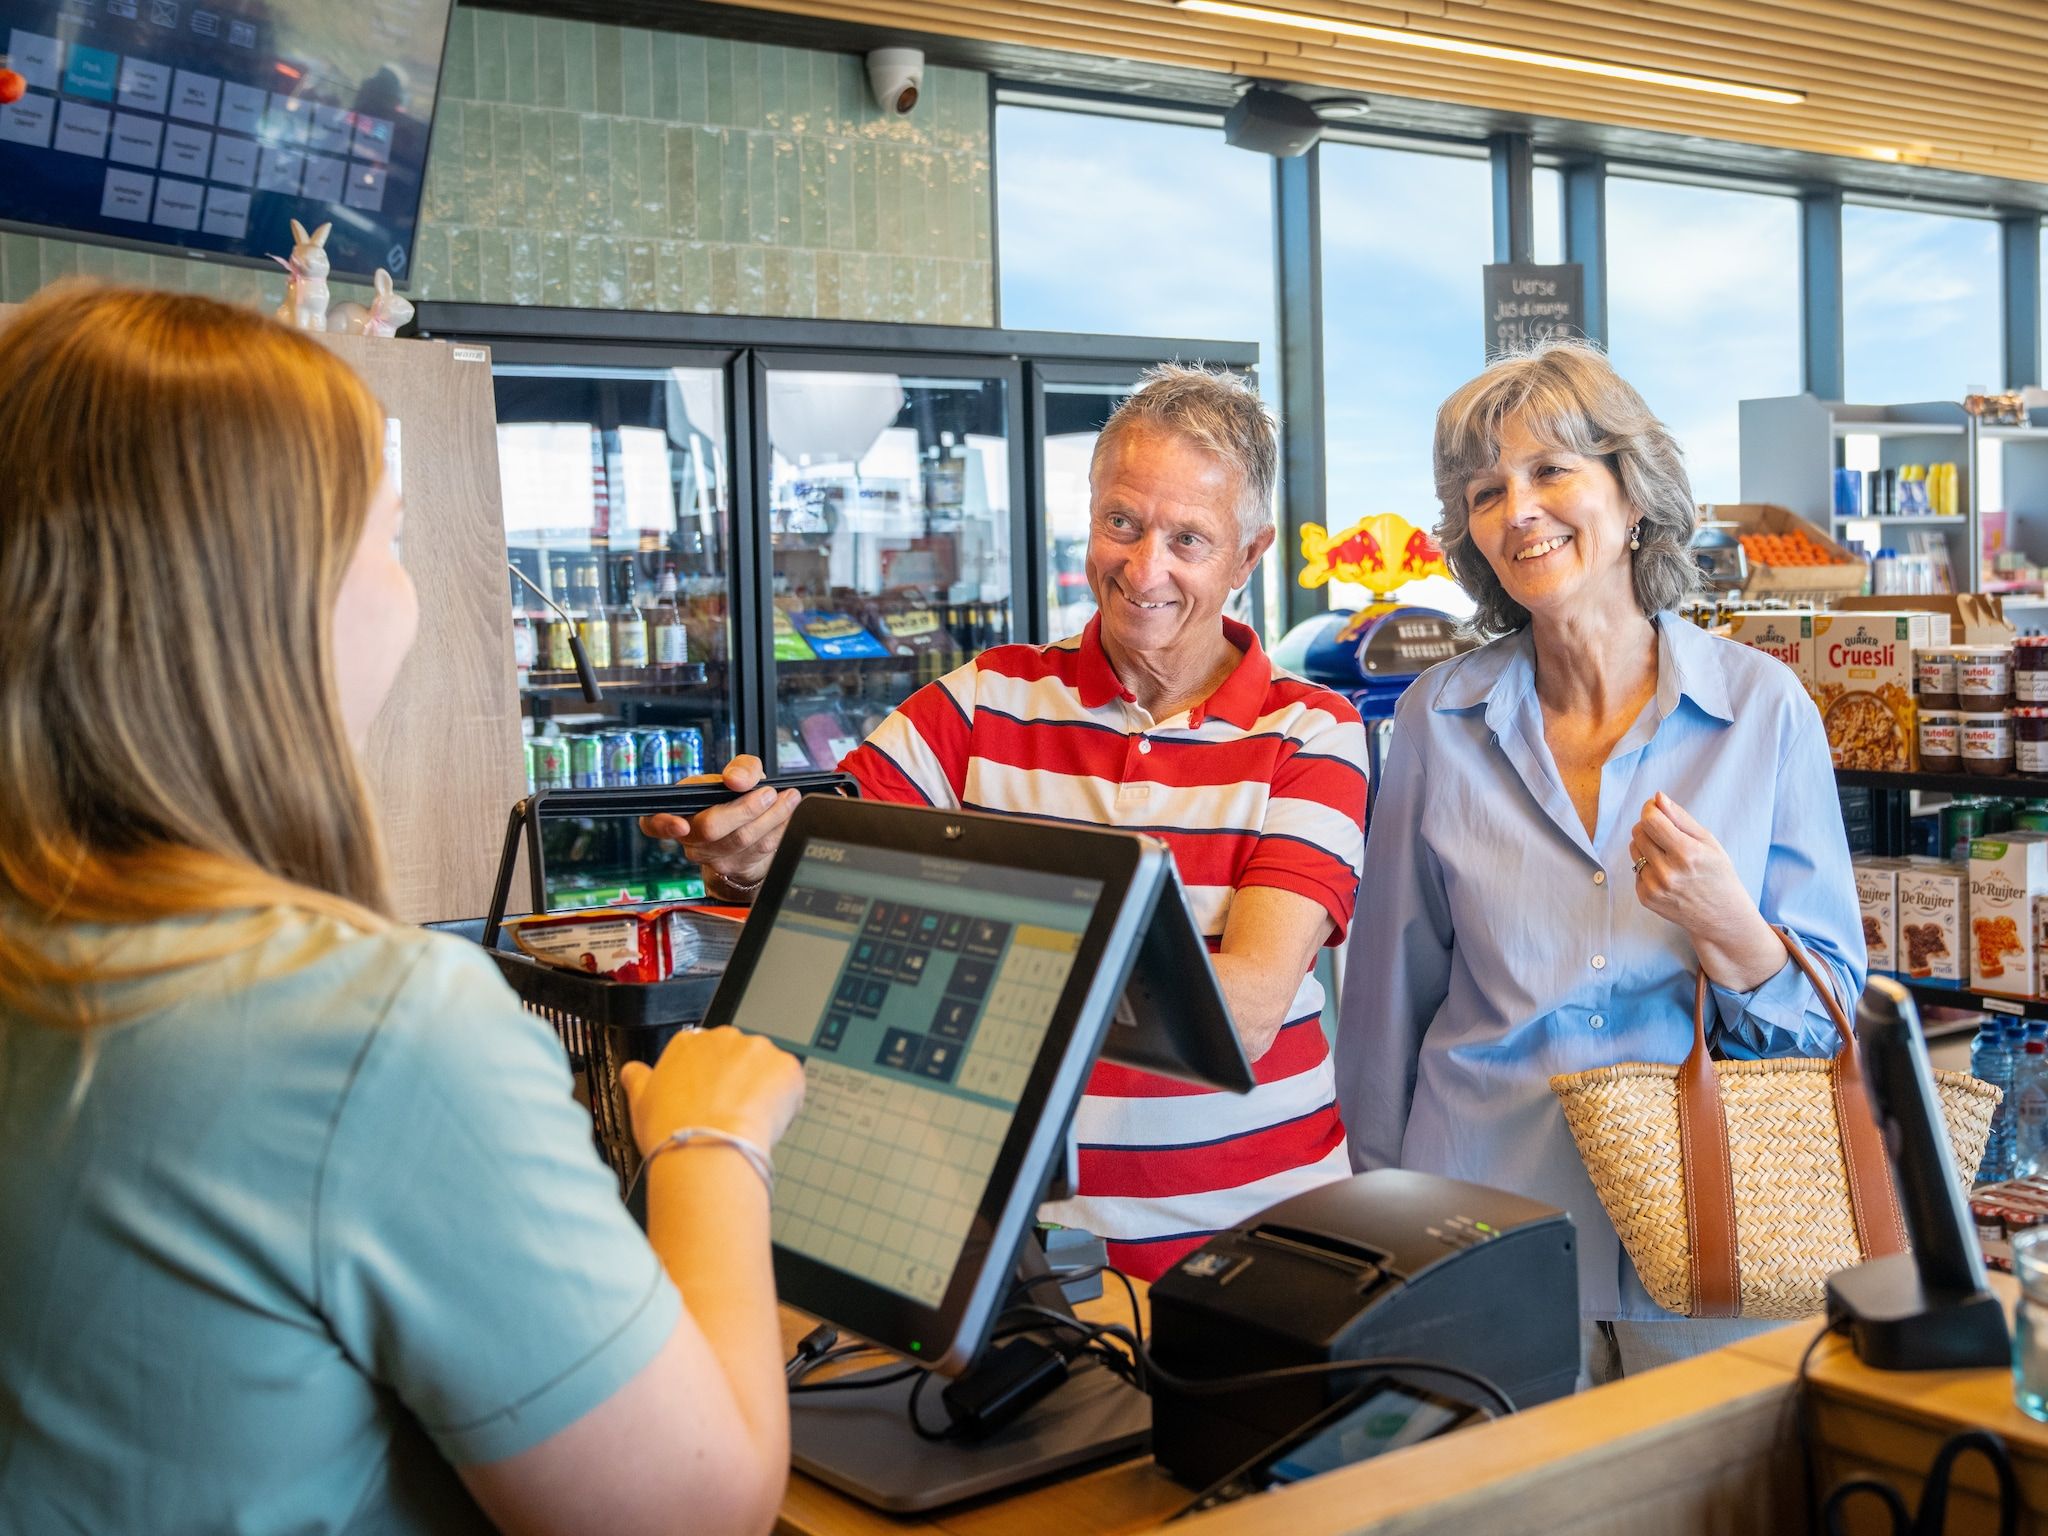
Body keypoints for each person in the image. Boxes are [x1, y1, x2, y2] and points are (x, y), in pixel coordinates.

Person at [0, 284, 805, 1536]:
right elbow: (694, 1514)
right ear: (265, 597)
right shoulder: (365, 1030)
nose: (413, 591)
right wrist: (712, 1146)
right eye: (388, 537)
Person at [651, 366, 1369, 1280]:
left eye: (1189, 538)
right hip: (1017, 1256)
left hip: (1252, 1247)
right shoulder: (990, 698)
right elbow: (830, 865)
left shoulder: (1310, 731)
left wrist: (958, 954)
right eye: (1123, 522)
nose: (1145, 568)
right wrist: (751, 856)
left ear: (1250, 554)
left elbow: (1245, 1012)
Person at [1332, 340, 1864, 1381]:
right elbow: (1387, 1000)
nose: (1516, 510)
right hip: (1479, 1224)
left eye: (1549, 471)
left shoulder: (1760, 712)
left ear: (1631, 498)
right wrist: (1381, 1219)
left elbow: (1830, 1014)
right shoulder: (1439, 719)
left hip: (1709, 1234)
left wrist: (1730, 930)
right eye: (1484, 492)